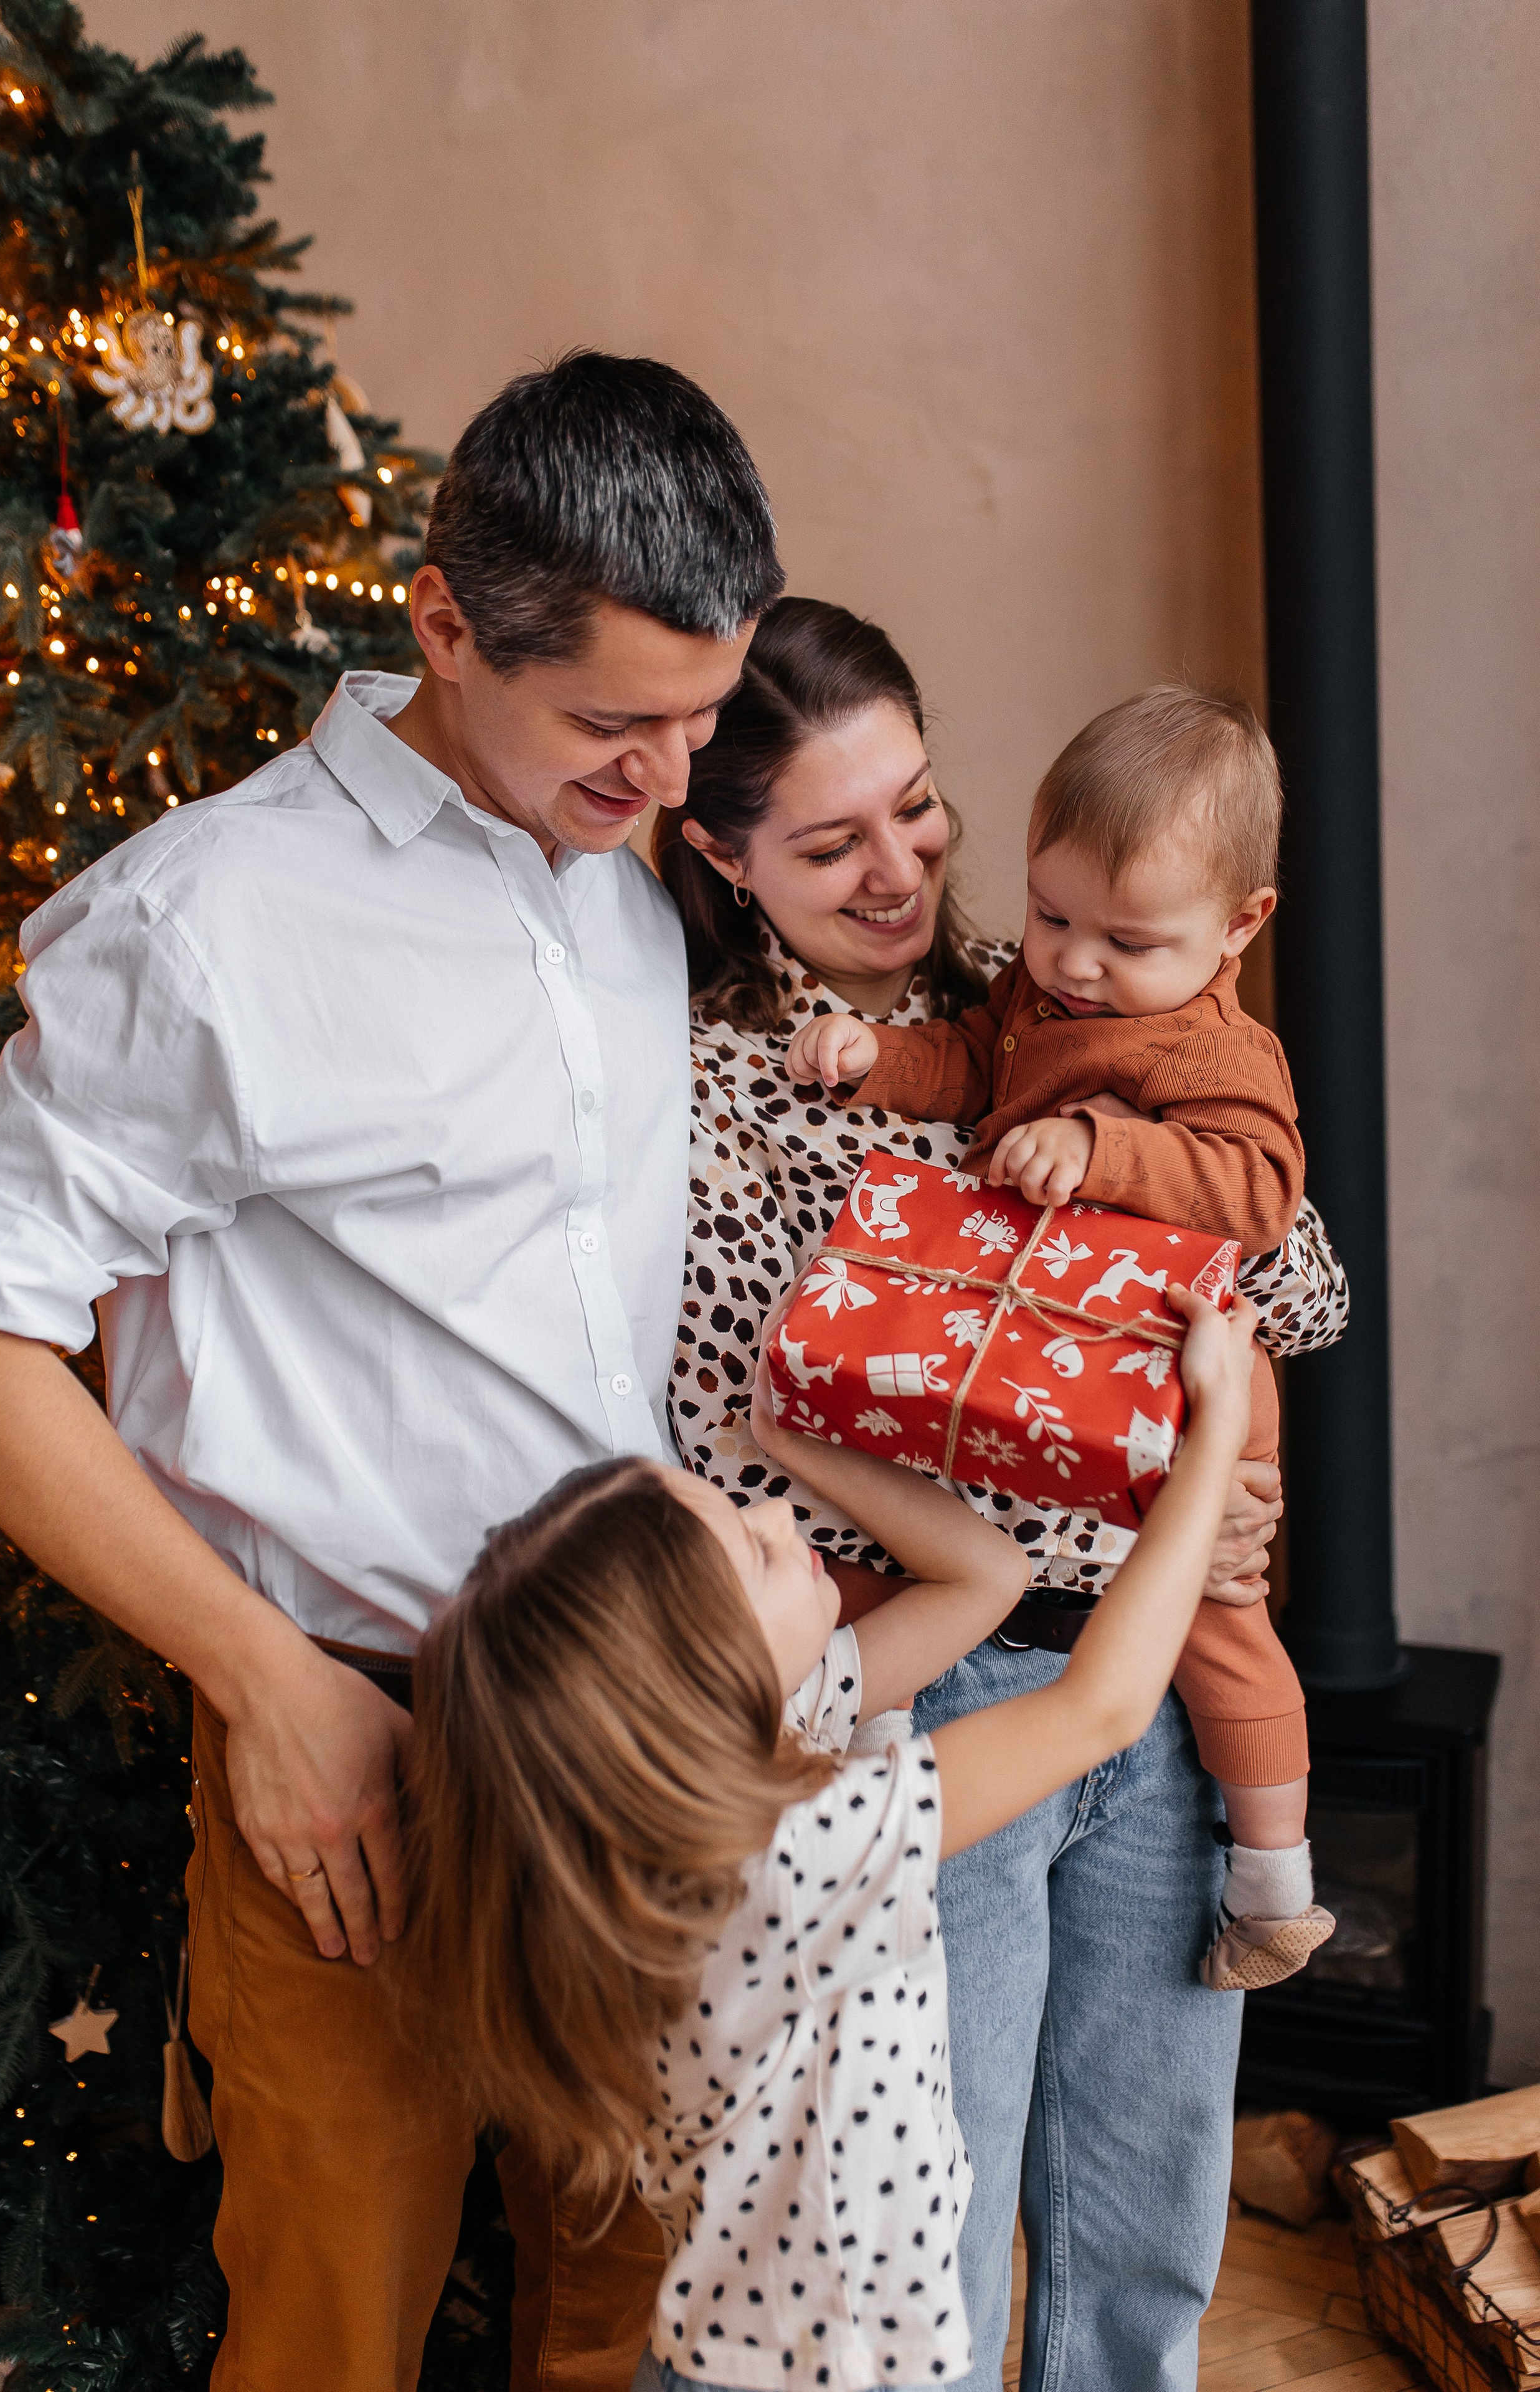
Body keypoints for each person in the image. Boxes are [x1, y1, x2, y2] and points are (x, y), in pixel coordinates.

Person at [0, 352, 783, 2392]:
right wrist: (267, 1682)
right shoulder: (207, 923)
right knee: (335, 2336)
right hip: (354, 1744)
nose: (672, 777)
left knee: (626, 2313)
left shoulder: (625, 874)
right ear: (443, 626)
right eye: (614, 722)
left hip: (643, 1741)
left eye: (702, 715)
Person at [652, 597, 1351, 2391]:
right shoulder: (713, 1095)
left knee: (1145, 2215)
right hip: (939, 1707)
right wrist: (1156, 1489)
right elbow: (748, 1441)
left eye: (914, 807)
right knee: (939, 2229)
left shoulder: (1049, 992)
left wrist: (1207, 1453)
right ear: (722, 857)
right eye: (830, 842)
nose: (898, 870)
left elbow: (1303, 1281)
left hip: (1157, 1683)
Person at [413, 1271, 1259, 2392]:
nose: (776, 1516)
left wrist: (794, 1437)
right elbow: (1100, 1708)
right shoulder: (798, 1854)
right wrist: (1210, 1443)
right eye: (754, 1549)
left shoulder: (776, 1748)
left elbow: (990, 1576)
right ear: (696, 1682)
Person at [784, 683, 1337, 1994]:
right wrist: (873, 1060)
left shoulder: (1214, 1047)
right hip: (1069, 1379)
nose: (1074, 965)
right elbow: (971, 1063)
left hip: (1190, 1371)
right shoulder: (1036, 994)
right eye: (1050, 917)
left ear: (1240, 925)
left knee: (1217, 1620)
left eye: (1125, 941)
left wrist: (1099, 1148)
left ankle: (1273, 1880)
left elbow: (1261, 1190)